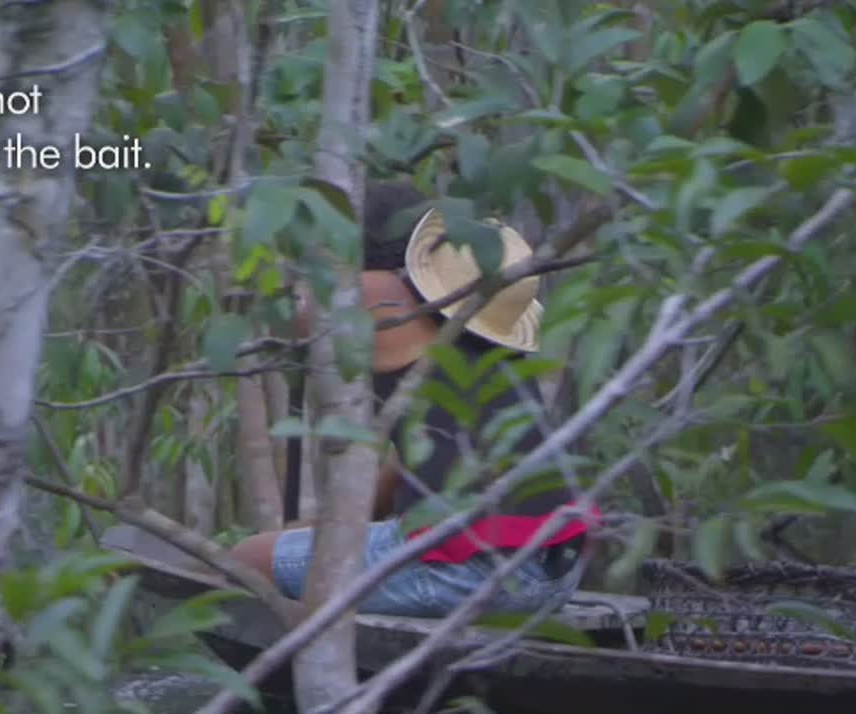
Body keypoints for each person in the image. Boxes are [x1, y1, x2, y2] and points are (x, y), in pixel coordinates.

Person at [231, 181, 596, 618]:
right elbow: (406, 465)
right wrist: (332, 527)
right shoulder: (481, 338)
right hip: (557, 573)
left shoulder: (385, 302)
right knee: (307, 547)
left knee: (244, 558)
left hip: (471, 575)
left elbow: (293, 313)